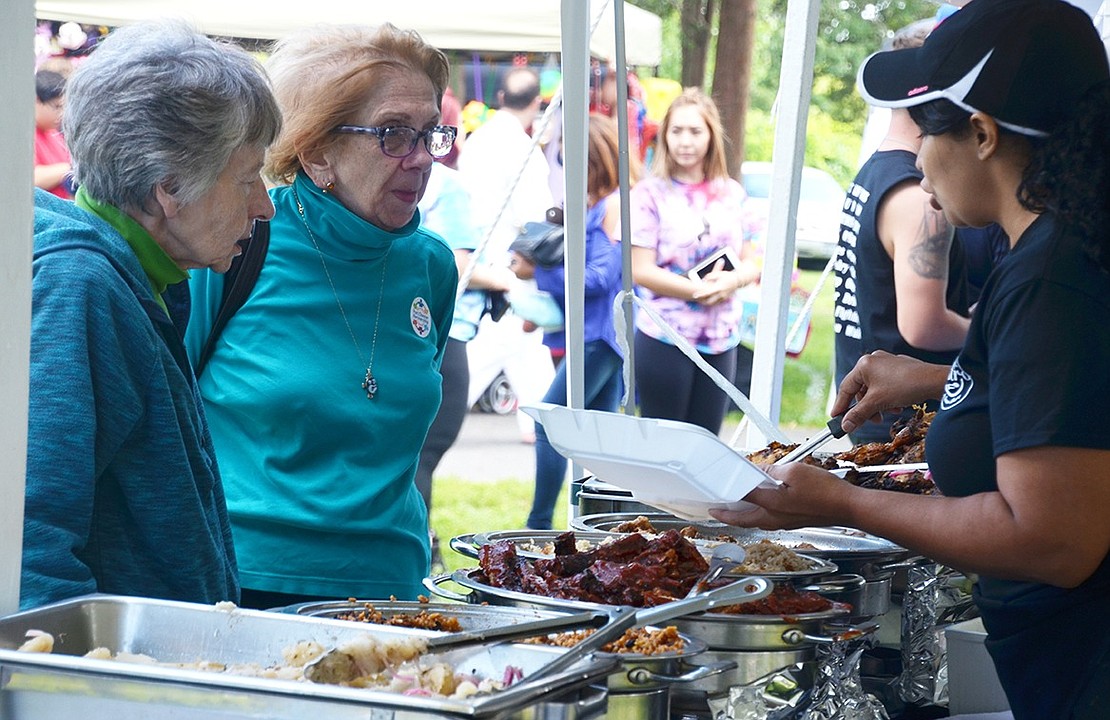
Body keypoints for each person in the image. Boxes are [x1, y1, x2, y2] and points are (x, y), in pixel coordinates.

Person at [713, 1, 1110, 717]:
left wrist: (840, 502)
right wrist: (936, 377)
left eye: (925, 129)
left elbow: (1053, 538)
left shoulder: (1053, 276)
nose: (917, 156)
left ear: (982, 135)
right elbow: (1069, 396)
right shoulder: (1064, 246)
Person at [185, 24, 458, 608]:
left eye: (430, 133)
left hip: (391, 589)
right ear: (315, 152)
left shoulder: (431, 266)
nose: (420, 159)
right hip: (243, 582)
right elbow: (166, 408)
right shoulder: (237, 242)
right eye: (392, 134)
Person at [23, 21, 281, 610]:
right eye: (247, 180)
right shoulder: (80, 285)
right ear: (169, 188)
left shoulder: (145, 272)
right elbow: (28, 541)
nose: (264, 206)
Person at [833, 105, 972, 442]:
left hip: (877, 407)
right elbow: (923, 325)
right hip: (906, 419)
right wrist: (991, 334)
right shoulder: (919, 197)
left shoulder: (875, 170)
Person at [629, 88, 761, 434]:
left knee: (708, 448)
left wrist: (732, 281)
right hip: (665, 337)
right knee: (665, 449)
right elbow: (640, 269)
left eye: (695, 131)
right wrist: (696, 291)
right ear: (665, 135)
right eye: (677, 131)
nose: (685, 141)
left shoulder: (731, 193)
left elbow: (754, 258)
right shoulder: (648, 194)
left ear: (711, 136)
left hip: (722, 339)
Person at [517, 114, 626, 530]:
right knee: (596, 441)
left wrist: (540, 270)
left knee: (549, 423)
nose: (565, 169)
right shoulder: (594, 205)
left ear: (594, 160)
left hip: (599, 336)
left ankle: (537, 525)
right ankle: (599, 527)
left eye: (572, 160)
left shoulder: (612, 204)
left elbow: (600, 277)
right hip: (593, 335)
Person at [413, 159, 516, 568]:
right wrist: (499, 279)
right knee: (422, 451)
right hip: (441, 331)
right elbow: (457, 267)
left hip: (434, 330)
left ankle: (423, 545)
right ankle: (422, 548)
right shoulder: (447, 185)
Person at [459, 65, 556, 444]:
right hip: (505, 265)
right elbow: (535, 219)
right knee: (495, 344)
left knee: (520, 345)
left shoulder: (477, 140)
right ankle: (546, 421)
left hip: (474, 254)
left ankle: (544, 422)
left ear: (499, 98)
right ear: (536, 102)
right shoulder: (525, 149)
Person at [33, 69, 74, 199]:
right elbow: (29, 178)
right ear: (37, 101)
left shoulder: (53, 134)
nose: (61, 114)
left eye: (63, 107)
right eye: (57, 107)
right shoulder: (22, 136)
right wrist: (69, 168)